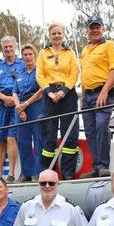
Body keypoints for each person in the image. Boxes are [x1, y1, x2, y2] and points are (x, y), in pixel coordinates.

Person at [79, 16, 114, 178]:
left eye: (97, 27)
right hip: (87, 95)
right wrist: (83, 96)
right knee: (89, 131)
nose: (95, 30)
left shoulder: (109, 45)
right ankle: (95, 166)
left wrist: (105, 91)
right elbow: (84, 75)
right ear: (88, 31)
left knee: (101, 126)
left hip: (102, 92)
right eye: (92, 28)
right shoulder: (85, 50)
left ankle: (103, 165)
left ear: (103, 28)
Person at [37, 22, 80, 180]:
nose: (56, 36)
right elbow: (39, 74)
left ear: (64, 35)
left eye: (59, 33)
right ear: (50, 35)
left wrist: (64, 91)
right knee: (49, 137)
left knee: (70, 135)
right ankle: (48, 175)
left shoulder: (70, 53)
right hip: (49, 96)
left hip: (67, 95)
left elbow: (74, 72)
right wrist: (49, 92)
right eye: (54, 33)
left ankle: (68, 174)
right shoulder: (43, 53)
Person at [0, 36, 25, 182]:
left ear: (15, 47)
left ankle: (11, 173)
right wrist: (4, 98)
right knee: (1, 139)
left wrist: (13, 99)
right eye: (5, 47)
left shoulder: (22, 64)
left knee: (12, 138)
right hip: (1, 104)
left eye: (10, 46)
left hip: (17, 103)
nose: (8, 49)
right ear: (2, 49)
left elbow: (25, 84)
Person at [13, 44, 43, 182]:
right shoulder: (20, 72)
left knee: (38, 139)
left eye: (30, 54)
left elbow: (41, 90)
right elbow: (14, 92)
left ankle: (38, 171)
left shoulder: (39, 71)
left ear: (35, 55)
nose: (28, 57)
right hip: (20, 107)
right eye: (25, 55)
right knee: (22, 141)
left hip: (35, 105)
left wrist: (26, 104)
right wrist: (19, 106)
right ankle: (26, 172)